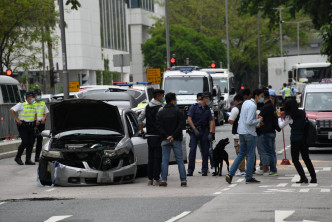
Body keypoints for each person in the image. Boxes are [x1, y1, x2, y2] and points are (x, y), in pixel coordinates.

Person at [226, 89, 264, 184]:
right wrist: (259, 120)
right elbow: (249, 121)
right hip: (249, 133)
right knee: (251, 154)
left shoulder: (246, 103)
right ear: (256, 96)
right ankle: (249, 177)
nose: (262, 98)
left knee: (241, 154)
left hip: (241, 132)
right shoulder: (253, 105)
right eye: (261, 96)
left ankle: (230, 173)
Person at [277, 99, 317, 183]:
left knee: (295, 160)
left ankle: (303, 177)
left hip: (295, 139)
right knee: (306, 158)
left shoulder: (289, 116)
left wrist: (279, 117)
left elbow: (281, 126)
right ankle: (313, 178)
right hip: (304, 138)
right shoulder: (302, 113)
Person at [156, 92, 187, 187]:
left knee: (164, 160)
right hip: (176, 138)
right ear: (173, 100)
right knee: (180, 160)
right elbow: (181, 125)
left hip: (165, 139)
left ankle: (164, 180)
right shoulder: (178, 112)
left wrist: (166, 136)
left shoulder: (160, 112)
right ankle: (183, 180)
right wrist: (173, 135)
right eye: (175, 99)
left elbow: (158, 127)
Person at [138, 89, 165, 186]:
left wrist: (142, 132)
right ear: (158, 96)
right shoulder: (161, 108)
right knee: (158, 157)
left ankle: (150, 179)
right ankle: (156, 178)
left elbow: (139, 119)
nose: (163, 98)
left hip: (149, 136)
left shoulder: (147, 107)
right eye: (162, 96)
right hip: (158, 136)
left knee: (151, 157)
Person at [187, 92, 215, 176]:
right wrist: (194, 129)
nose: (209, 100)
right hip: (195, 131)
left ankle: (204, 170)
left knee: (205, 151)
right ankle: (190, 170)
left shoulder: (207, 109)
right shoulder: (194, 107)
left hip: (204, 131)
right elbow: (189, 118)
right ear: (203, 98)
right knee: (192, 150)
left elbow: (211, 121)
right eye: (207, 98)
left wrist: (210, 133)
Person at [9, 91, 37, 165]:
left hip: (31, 125)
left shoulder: (34, 105)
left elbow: (35, 114)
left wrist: (36, 121)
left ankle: (28, 159)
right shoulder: (21, 104)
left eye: (33, 97)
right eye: (32, 97)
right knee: (25, 142)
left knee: (31, 143)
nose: (33, 98)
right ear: (27, 97)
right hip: (23, 126)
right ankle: (18, 157)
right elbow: (12, 110)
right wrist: (17, 119)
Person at [257, 90, 279, 176]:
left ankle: (272, 170)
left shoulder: (265, 107)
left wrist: (259, 120)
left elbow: (260, 118)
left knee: (267, 152)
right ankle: (274, 169)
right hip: (272, 132)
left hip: (265, 132)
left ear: (262, 96)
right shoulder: (272, 106)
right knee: (272, 152)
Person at [195, 93, 215, 174]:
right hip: (199, 132)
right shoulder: (195, 108)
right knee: (203, 151)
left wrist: (212, 133)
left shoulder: (209, 110)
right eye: (200, 99)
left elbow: (212, 122)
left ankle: (213, 166)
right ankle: (205, 168)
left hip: (207, 132)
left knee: (210, 150)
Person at [228, 94, 246, 177]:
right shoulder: (247, 107)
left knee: (240, 153)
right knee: (248, 153)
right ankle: (250, 169)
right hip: (247, 132)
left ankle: (242, 170)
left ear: (236, 101)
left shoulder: (235, 109)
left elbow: (231, 120)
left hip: (238, 134)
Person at [33, 89, 49, 162]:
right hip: (34, 124)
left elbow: (46, 112)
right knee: (31, 141)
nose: (39, 96)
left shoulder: (43, 103)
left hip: (41, 123)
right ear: (34, 96)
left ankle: (37, 157)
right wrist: (35, 121)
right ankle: (28, 158)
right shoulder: (31, 103)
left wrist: (44, 118)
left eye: (40, 95)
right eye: (37, 95)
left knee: (39, 141)